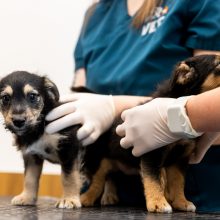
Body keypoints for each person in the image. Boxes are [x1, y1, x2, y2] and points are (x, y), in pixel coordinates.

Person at [45, 0, 220, 212]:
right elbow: (81, 95)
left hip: (192, 193)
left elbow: (212, 104)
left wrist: (115, 107)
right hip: (106, 196)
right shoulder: (94, 15)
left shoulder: (200, 3)